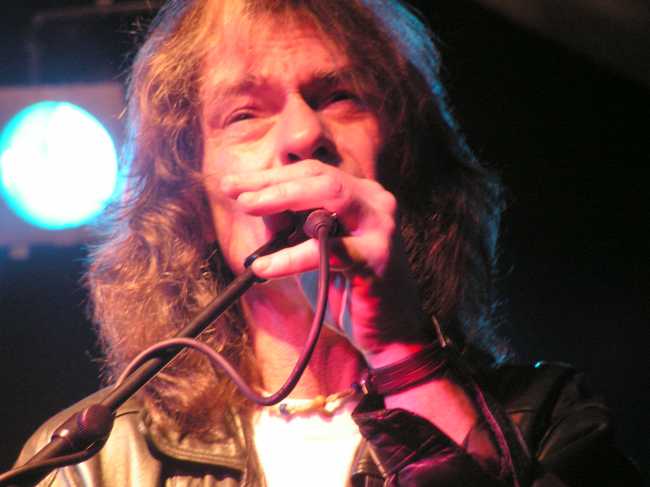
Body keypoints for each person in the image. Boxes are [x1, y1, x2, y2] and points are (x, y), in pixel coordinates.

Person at [15, 1, 640, 485]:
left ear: (404, 169)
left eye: (339, 97)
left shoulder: (546, 420)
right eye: (245, 113)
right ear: (191, 204)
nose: (303, 134)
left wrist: (400, 350)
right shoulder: (94, 461)